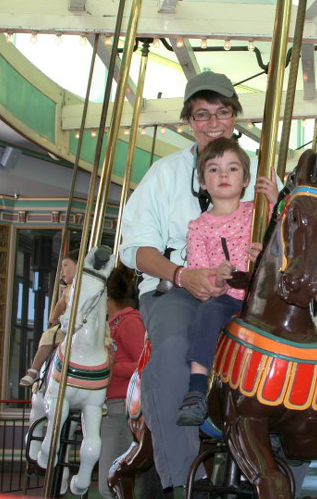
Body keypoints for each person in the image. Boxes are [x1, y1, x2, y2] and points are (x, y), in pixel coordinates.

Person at [119, 71, 278, 491]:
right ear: (189, 121)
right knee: (172, 348)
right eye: (202, 114)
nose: (213, 122)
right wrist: (180, 274)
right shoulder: (165, 174)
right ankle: (188, 479)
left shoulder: (259, 174)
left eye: (222, 112)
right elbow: (134, 248)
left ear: (234, 118)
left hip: (247, 292)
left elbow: (288, 239)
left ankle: (281, 466)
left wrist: (277, 211)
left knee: (305, 355)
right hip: (178, 290)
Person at [175, 138, 275, 426]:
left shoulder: (257, 211)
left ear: (245, 179)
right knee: (206, 312)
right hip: (227, 298)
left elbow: (284, 232)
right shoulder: (199, 226)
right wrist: (215, 278)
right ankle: (196, 389)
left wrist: (275, 198)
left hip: (261, 297)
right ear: (203, 182)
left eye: (232, 168)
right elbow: (197, 269)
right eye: (214, 169)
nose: (223, 175)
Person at [98, 264, 146, 499]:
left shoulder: (128, 323)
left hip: (122, 406)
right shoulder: (110, 325)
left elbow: (144, 363)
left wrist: (113, 367)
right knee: (108, 481)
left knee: (111, 482)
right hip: (110, 405)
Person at [20, 250, 78, 387]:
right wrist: (54, 318)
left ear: (78, 265)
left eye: (66, 265)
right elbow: (59, 305)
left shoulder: (88, 287)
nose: (63, 271)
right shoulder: (69, 289)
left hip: (84, 327)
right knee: (49, 335)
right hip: (68, 327)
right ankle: (33, 371)